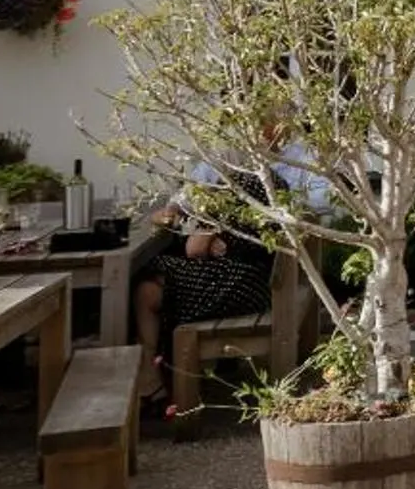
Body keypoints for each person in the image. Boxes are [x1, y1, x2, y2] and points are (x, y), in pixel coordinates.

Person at [131, 140, 332, 411]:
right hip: (258, 282)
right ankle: (156, 373)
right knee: (159, 276)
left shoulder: (236, 191)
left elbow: (193, 247)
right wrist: (211, 239)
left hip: (236, 286)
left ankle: (149, 376)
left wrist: (203, 231)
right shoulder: (273, 185)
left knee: (147, 281)